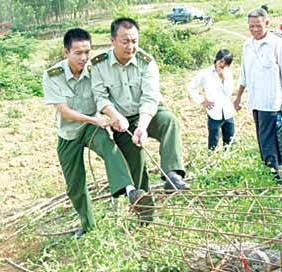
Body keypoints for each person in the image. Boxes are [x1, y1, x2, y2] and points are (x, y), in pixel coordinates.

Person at [42, 28, 148, 238]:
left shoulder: (95, 72)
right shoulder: (53, 75)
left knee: (110, 149)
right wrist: (94, 119)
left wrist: (115, 117)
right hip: (69, 134)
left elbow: (106, 97)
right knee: (75, 184)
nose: (83, 58)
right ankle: (87, 224)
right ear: (66, 52)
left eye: (87, 52)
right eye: (78, 53)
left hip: (92, 128)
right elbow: (64, 111)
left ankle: (130, 191)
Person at [91, 17, 189, 192]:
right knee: (136, 167)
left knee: (169, 121)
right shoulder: (99, 64)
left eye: (134, 41)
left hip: (148, 113)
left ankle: (172, 175)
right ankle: (144, 212)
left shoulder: (146, 61)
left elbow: (150, 98)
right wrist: (115, 116)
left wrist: (142, 127)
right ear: (112, 41)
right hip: (122, 120)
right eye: (125, 41)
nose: (131, 46)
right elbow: (100, 97)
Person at [233, 7, 282, 183]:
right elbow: (244, 74)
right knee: (263, 135)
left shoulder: (276, 43)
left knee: (268, 137)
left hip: (271, 99)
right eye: (251, 26)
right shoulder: (247, 45)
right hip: (255, 100)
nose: (255, 30)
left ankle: (275, 173)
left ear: (267, 23)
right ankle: (274, 167)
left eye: (258, 26)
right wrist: (238, 97)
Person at [187, 49, 235, 150]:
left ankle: (227, 158)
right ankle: (211, 160)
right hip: (214, 112)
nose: (222, 65)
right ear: (216, 59)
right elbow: (191, 87)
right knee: (213, 141)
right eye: (221, 61)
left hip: (227, 111)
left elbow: (229, 92)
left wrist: (223, 79)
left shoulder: (228, 73)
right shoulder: (205, 73)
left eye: (226, 63)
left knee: (230, 141)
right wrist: (202, 101)